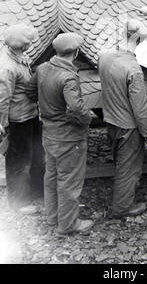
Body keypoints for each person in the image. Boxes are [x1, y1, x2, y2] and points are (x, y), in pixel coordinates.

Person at [26, 32, 93, 234]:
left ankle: (52, 217)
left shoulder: (43, 68)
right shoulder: (69, 77)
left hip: (49, 133)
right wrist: (87, 120)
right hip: (68, 138)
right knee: (69, 181)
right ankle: (68, 225)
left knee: (52, 175)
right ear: (76, 52)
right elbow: (75, 109)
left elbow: (30, 91)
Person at [98, 19, 147, 219]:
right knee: (128, 168)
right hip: (128, 126)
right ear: (140, 43)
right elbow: (140, 109)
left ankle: (125, 195)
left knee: (120, 161)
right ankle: (123, 207)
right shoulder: (133, 69)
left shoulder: (104, 57)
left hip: (111, 119)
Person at [0, 23, 44, 215]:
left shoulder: (18, 57)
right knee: (19, 161)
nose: (30, 46)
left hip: (30, 115)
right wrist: (2, 124)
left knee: (35, 155)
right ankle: (19, 202)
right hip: (18, 121)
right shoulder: (7, 68)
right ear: (21, 45)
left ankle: (34, 190)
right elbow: (3, 99)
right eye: (28, 43)